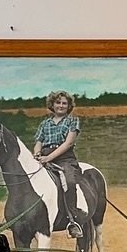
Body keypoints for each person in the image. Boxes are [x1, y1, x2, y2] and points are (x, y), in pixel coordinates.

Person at [32, 91, 86, 234]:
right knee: (27, 177)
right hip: (44, 156)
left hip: (65, 158)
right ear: (52, 104)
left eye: (64, 103)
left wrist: (49, 158)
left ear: (68, 106)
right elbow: (38, 142)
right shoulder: (45, 123)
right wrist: (37, 154)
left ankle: (72, 220)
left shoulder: (72, 121)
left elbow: (68, 144)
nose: (61, 106)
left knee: (69, 182)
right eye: (58, 102)